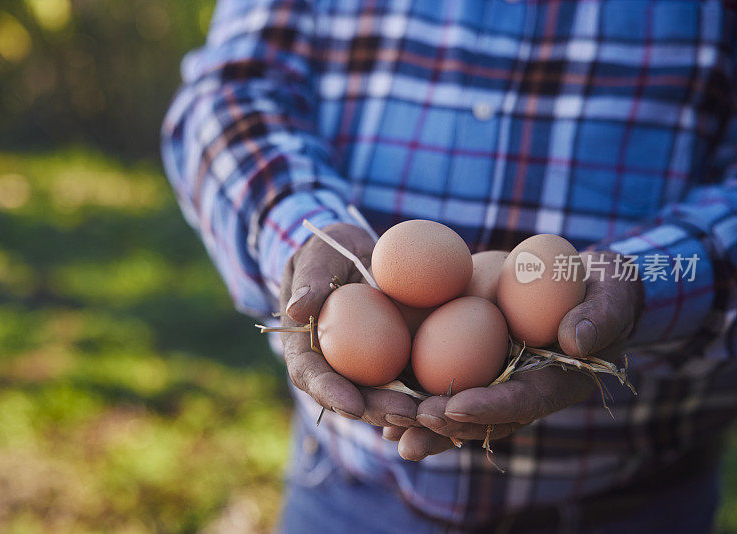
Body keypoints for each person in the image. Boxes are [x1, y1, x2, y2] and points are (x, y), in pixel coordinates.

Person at [161, 1, 737, 531]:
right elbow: (233, 88)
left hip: (636, 503)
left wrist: (642, 281)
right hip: (348, 497)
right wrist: (305, 233)